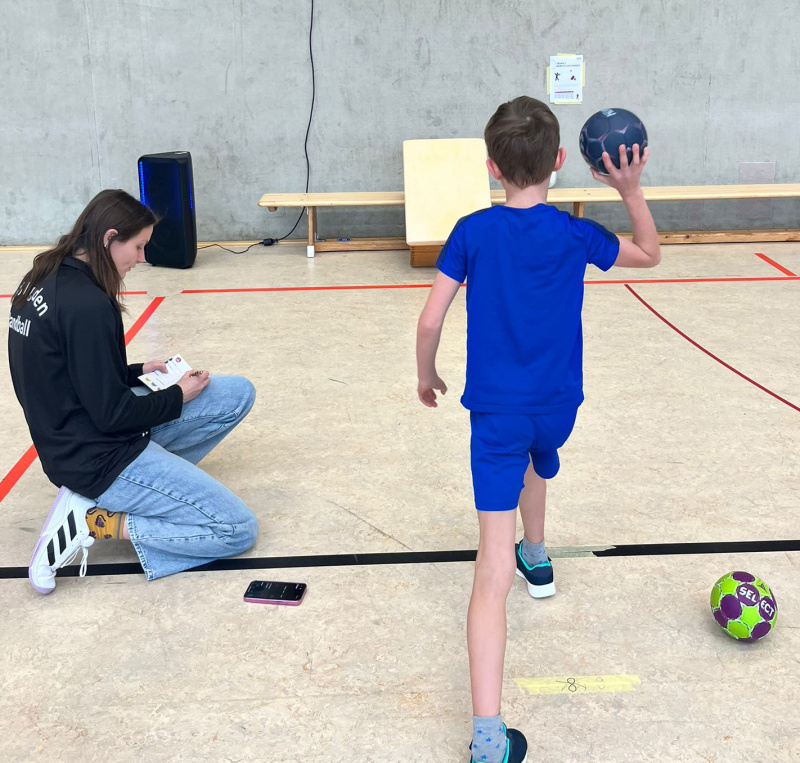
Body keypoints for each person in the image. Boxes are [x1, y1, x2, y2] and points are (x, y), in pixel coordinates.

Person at [415, 96, 660, 762]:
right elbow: (648, 252)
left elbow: (431, 319)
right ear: (558, 161)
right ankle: (539, 551)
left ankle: (488, 737)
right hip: (557, 408)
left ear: (491, 166)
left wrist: (426, 374)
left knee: (489, 572)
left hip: (497, 413)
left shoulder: (471, 232)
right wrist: (629, 190)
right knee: (537, 456)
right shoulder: (575, 233)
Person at [8, 189, 259, 594]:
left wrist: (136, 372)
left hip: (72, 434)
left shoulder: (45, 276)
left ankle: (146, 487)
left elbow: (64, 373)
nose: (141, 259)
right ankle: (97, 520)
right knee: (236, 529)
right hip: (97, 455)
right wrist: (177, 395)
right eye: (138, 247)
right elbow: (114, 416)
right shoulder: (89, 305)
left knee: (236, 394)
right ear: (109, 238)